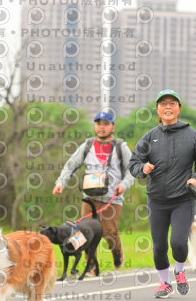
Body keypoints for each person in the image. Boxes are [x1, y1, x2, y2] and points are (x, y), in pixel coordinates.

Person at [129, 90, 196, 298]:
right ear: (157, 109)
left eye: (172, 103)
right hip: (156, 200)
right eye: (163, 103)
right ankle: (165, 283)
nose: (168, 107)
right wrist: (142, 169)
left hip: (183, 199)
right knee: (159, 246)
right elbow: (134, 162)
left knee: (178, 242)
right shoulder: (150, 137)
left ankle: (180, 271)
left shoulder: (192, 134)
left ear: (179, 108)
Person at [53, 111, 135, 272]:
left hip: (112, 199)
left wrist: (123, 185)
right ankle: (90, 263)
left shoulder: (121, 147)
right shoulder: (87, 146)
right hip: (90, 198)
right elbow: (70, 165)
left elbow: (132, 170)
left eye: (105, 124)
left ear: (112, 127)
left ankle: (117, 251)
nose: (101, 127)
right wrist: (61, 183)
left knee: (109, 233)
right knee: (84, 232)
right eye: (98, 123)